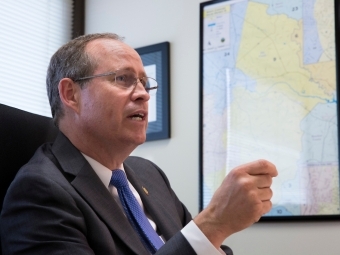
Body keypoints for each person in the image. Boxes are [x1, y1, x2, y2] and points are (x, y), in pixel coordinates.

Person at [0, 33, 278, 255]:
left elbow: (197, 245)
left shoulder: (149, 174)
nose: (144, 94)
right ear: (71, 94)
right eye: (123, 79)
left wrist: (211, 232)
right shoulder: (38, 191)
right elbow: (201, 239)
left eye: (145, 83)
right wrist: (214, 223)